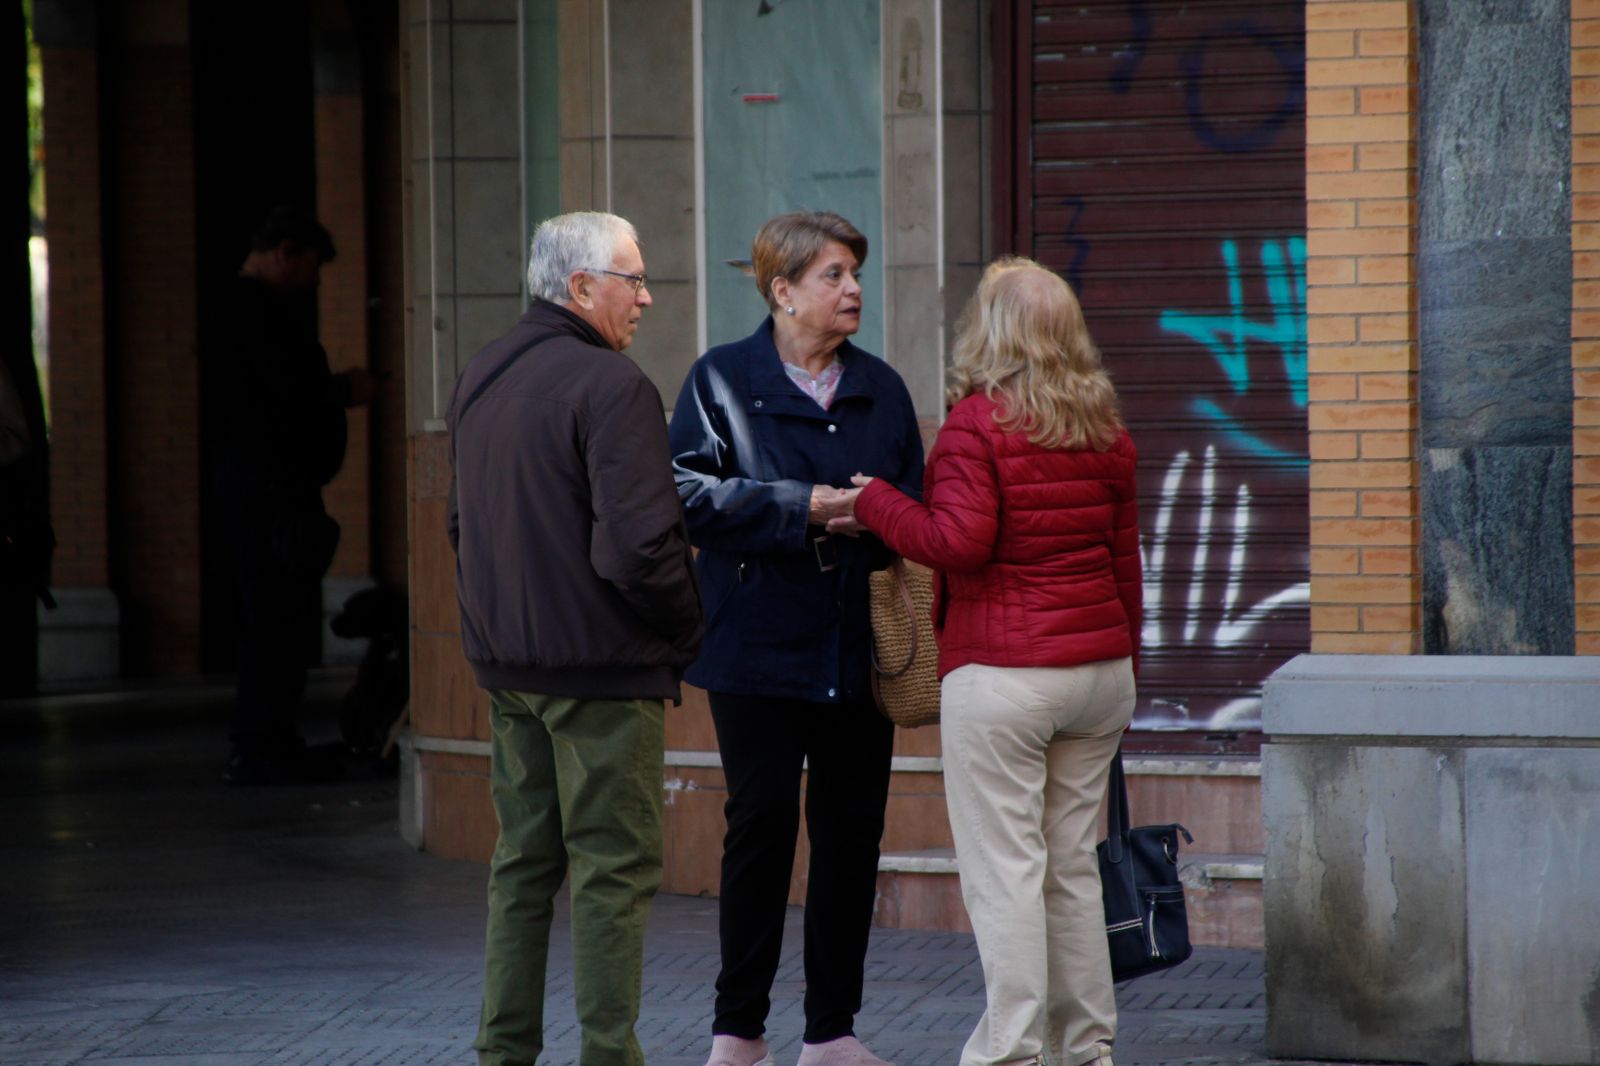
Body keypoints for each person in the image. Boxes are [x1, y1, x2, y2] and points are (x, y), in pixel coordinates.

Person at [840, 258, 1142, 1066]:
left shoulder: (979, 424)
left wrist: (875, 500)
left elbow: (956, 543)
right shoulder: (1104, 426)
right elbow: (1125, 564)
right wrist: (1123, 660)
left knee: (1007, 871)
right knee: (1071, 869)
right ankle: (1087, 1050)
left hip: (1007, 675)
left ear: (993, 331)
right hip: (1098, 672)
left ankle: (1011, 1053)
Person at [668, 211, 925, 1066]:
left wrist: (878, 515)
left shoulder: (882, 388)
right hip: (755, 648)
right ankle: (739, 1031)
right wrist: (803, 506)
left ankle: (832, 1034)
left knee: (851, 835)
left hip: (857, 646)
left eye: (856, 273)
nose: (853, 291)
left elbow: (915, 511)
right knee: (761, 829)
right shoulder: (720, 381)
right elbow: (686, 499)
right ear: (781, 291)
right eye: (834, 276)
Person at [447, 211, 703, 1066]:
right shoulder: (614, 387)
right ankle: (608, 1057)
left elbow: (460, 525)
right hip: (600, 671)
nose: (647, 297)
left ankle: (503, 1052)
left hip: (508, 665)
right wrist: (687, 631)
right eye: (633, 279)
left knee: (522, 867)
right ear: (580, 287)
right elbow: (639, 547)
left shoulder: (482, 374)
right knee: (612, 873)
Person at [209, 206, 375, 785]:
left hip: (266, 485)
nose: (311, 284)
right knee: (274, 613)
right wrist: (342, 390)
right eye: (307, 269)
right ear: (283, 251)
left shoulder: (245, 309)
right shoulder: (252, 311)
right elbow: (285, 395)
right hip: (268, 489)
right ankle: (261, 744)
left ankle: (270, 739)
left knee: (279, 612)